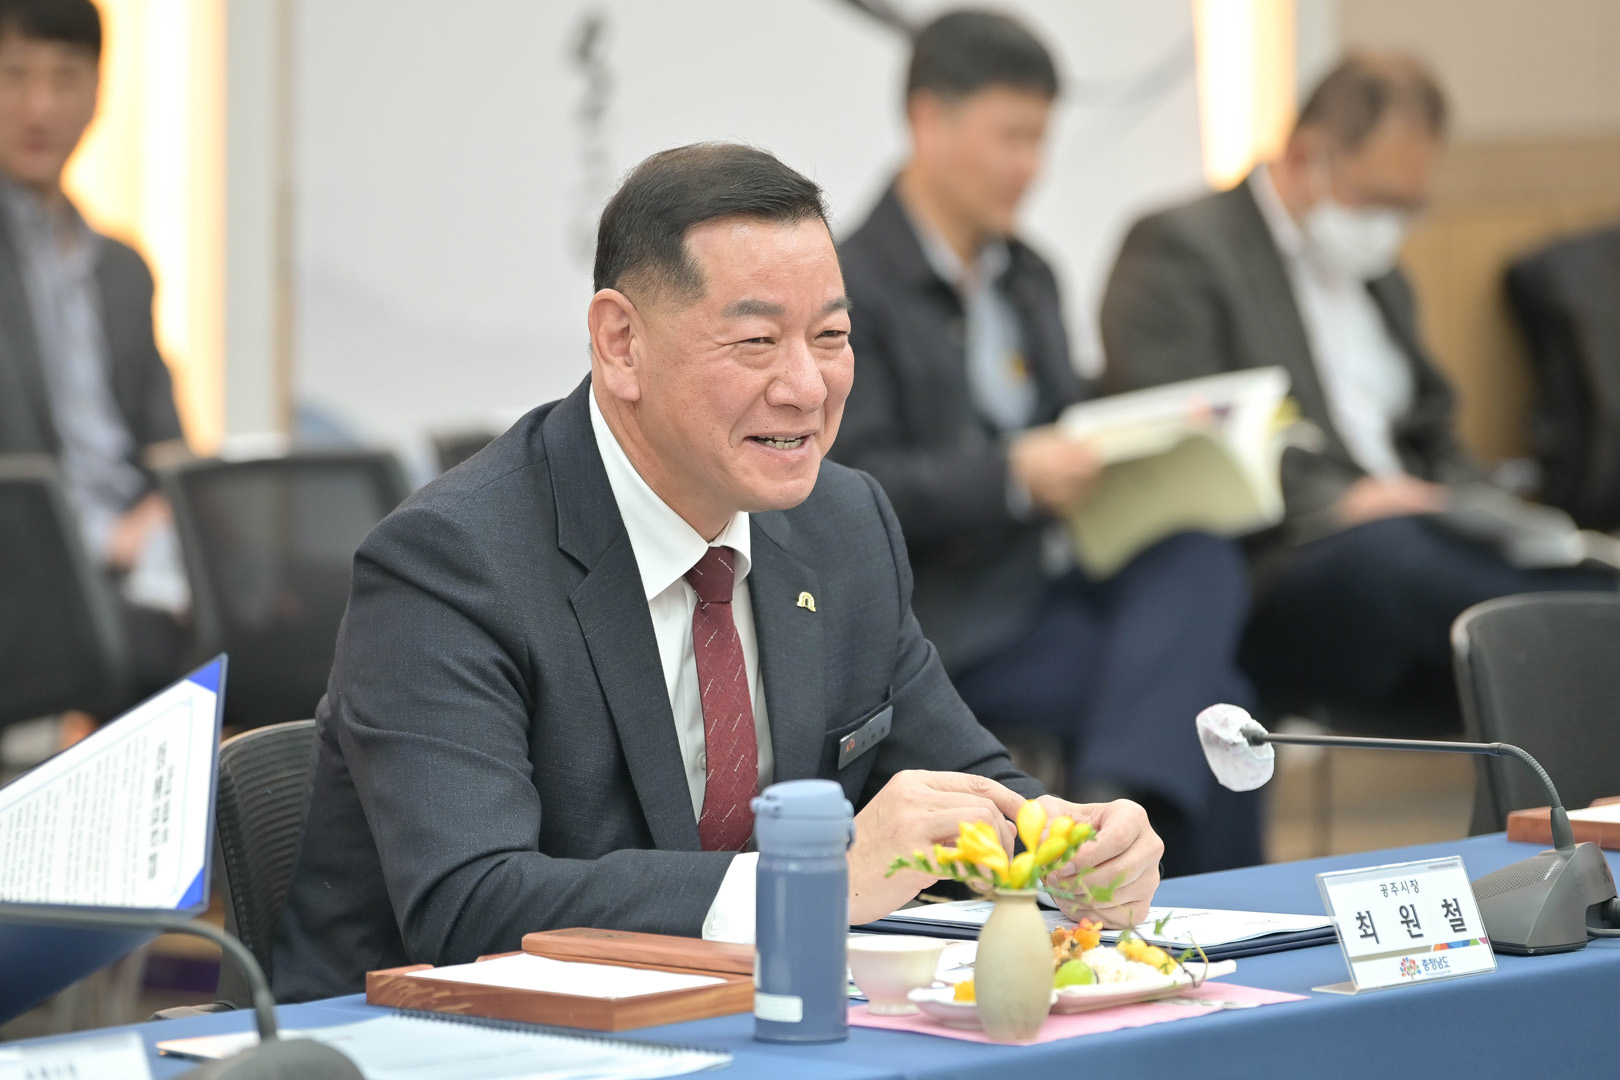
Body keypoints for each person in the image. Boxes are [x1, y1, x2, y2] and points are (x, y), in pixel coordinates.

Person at [272, 143, 1163, 1002]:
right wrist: (811, 884)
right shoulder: (451, 563)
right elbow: (471, 904)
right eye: (757, 341)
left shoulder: (843, 524)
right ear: (621, 343)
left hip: (756, 1030)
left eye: (831, 336)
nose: (807, 387)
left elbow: (967, 783)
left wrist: (1070, 847)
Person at [831, 10, 1260, 877]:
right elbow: (847, 485)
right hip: (949, 623)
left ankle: (1109, 808)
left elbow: (1067, 419)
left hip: (1053, 584)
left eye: (1041, 140)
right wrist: (1010, 479)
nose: (1029, 165)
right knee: (1220, 712)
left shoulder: (1029, 277)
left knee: (1202, 559)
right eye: (1011, 137)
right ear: (928, 120)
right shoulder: (852, 285)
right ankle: (1133, 855)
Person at [1100, 53, 1612, 722]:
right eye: (1378, 199)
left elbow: (1431, 428)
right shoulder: (1183, 246)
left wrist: (1479, 509)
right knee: (1446, 583)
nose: (1390, 226)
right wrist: (1344, 501)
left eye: (1410, 206)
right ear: (1307, 155)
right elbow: (1187, 439)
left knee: (1571, 579)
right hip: (1283, 562)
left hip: (1412, 541)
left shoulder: (1379, 274)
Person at [0, 0, 190, 713]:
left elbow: (168, 443)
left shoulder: (121, 268)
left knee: (320, 605)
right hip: (32, 577)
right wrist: (110, 539)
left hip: (141, 565)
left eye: (65, 77)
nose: (40, 104)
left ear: (97, 93)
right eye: (14, 75)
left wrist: (174, 515)